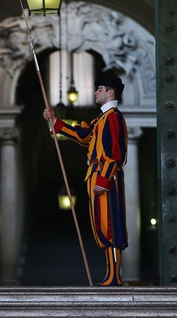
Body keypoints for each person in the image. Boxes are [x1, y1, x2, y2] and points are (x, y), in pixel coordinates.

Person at [43, 73, 128, 286]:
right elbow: (83, 137)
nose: (95, 92)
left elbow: (115, 154)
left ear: (110, 92)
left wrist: (103, 180)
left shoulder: (113, 118)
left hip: (106, 179)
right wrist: (56, 122)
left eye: (99, 89)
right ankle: (110, 275)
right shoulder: (101, 119)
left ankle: (114, 277)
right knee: (101, 226)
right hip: (96, 176)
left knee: (111, 227)